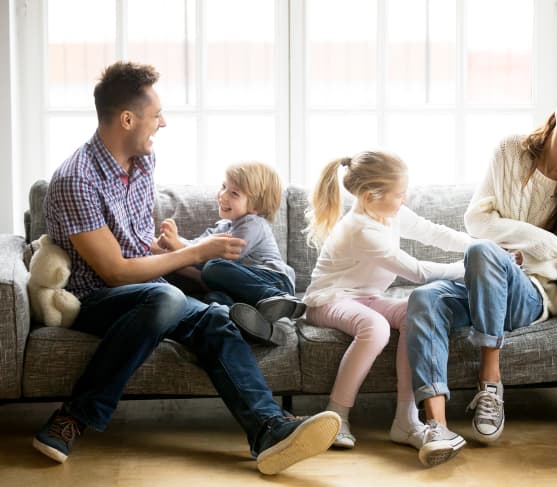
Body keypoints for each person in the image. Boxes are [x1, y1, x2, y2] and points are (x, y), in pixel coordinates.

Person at [32, 61, 340, 475]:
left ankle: (268, 430)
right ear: (127, 119)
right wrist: (196, 253)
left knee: (216, 319)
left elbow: (137, 244)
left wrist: (168, 250)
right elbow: (115, 273)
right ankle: (73, 416)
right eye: (156, 115)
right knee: (165, 295)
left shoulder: (141, 164)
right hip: (95, 299)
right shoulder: (76, 180)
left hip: (152, 293)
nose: (163, 122)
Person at [404, 80, 557, 466]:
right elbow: (476, 218)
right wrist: (539, 240)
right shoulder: (510, 150)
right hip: (484, 283)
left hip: (531, 295)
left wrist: (536, 256)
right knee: (424, 297)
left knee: (484, 253)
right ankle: (437, 427)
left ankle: (491, 383)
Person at [302, 150, 473, 463]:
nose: (404, 200)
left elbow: (432, 232)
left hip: (365, 297)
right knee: (376, 327)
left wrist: (476, 245)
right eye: (399, 195)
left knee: (415, 313)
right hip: (329, 299)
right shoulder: (362, 230)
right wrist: (469, 267)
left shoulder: (389, 213)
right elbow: (418, 272)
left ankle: (406, 422)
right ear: (370, 197)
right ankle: (336, 416)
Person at [157, 161, 305, 346]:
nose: (223, 196)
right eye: (224, 187)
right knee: (215, 301)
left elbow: (214, 256)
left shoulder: (253, 224)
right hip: (246, 293)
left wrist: (176, 244)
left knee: (214, 268)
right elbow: (197, 248)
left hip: (274, 281)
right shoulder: (223, 227)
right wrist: (170, 244)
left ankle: (277, 298)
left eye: (234, 193)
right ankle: (266, 330)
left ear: (256, 206)